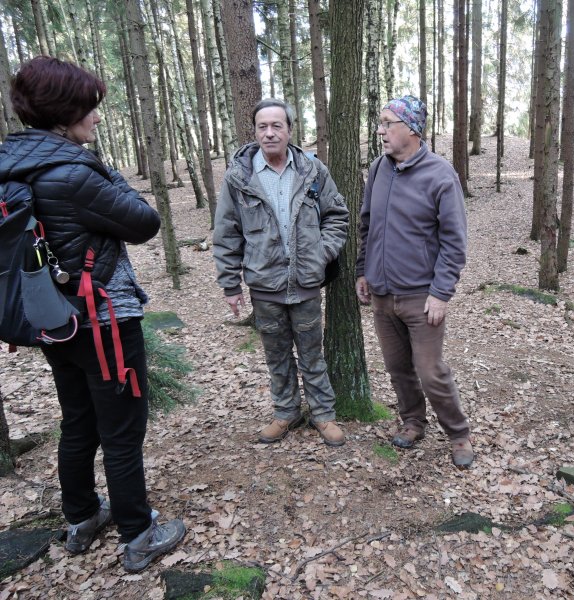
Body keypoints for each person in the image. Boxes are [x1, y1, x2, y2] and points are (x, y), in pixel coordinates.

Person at [0, 56, 185, 572]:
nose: (98, 117)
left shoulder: (12, 165)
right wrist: (107, 169)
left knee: (78, 423)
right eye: (90, 108)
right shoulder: (72, 173)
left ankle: (82, 516)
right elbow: (144, 222)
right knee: (122, 429)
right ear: (65, 113)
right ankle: (139, 534)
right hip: (104, 322)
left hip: (56, 321)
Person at [213, 98, 348, 447]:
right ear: (255, 131)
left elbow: (337, 216)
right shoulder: (239, 177)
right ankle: (286, 413)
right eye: (263, 126)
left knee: (312, 355)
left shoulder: (313, 170)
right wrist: (230, 285)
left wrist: (321, 253)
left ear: (289, 130)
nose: (270, 133)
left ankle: (323, 414)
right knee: (276, 357)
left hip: (305, 284)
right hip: (264, 286)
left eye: (277, 126)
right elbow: (226, 233)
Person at [355, 95, 472, 468]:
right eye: (380, 122)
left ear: (412, 128)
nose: (381, 130)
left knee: (430, 370)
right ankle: (412, 422)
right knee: (396, 366)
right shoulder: (378, 168)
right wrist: (362, 270)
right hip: (382, 293)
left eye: (388, 122)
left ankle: (458, 435)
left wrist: (441, 293)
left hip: (422, 297)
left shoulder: (440, 174)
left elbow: (455, 241)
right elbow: (367, 224)